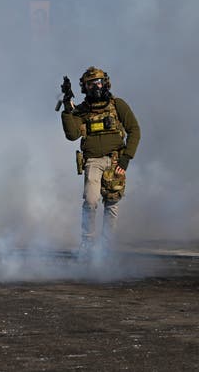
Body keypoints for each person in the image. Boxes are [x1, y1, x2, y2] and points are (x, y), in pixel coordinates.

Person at [60, 66, 140, 260]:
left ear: (105, 83)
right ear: (84, 87)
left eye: (98, 82)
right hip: (93, 162)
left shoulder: (117, 105)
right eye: (90, 84)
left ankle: (106, 247)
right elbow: (72, 134)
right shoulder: (83, 110)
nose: (95, 87)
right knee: (90, 201)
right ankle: (87, 244)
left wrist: (126, 158)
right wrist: (67, 108)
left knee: (112, 202)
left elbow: (134, 130)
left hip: (115, 160)